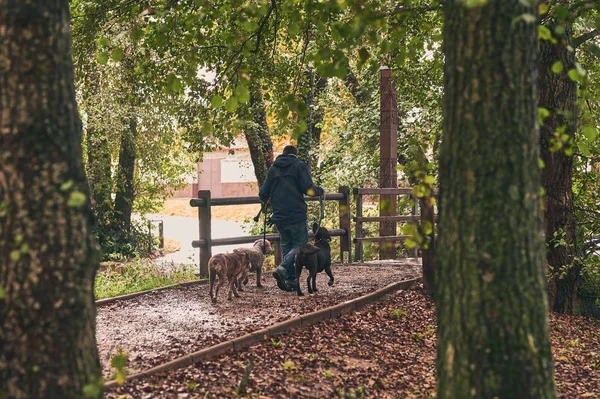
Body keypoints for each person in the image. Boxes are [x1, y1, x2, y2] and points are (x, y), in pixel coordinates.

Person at [259, 145, 324, 291]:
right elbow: (308, 189)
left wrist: (270, 199)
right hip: (296, 214)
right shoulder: (299, 166)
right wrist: (320, 191)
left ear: (283, 154)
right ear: (296, 155)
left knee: (287, 247)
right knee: (300, 245)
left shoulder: (273, 169)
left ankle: (290, 281)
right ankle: (282, 269)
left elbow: (263, 194)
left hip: (279, 216)